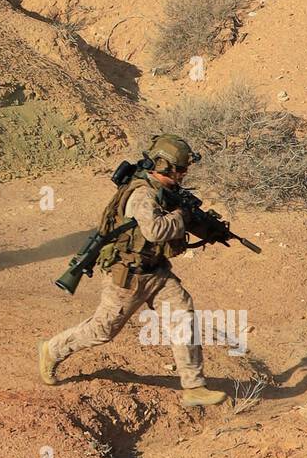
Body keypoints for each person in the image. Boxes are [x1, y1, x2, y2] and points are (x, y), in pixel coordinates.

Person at [39, 134, 229, 407]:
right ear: (164, 166)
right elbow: (154, 231)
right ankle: (52, 350)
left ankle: (194, 386)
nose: (185, 174)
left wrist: (207, 227)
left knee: (183, 317)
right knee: (102, 331)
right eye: (181, 169)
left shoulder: (165, 191)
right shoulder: (142, 193)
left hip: (157, 272)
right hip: (128, 275)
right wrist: (183, 216)